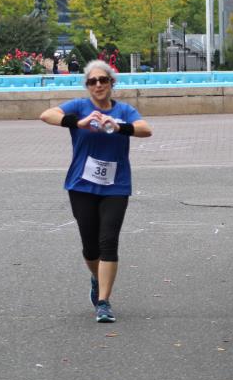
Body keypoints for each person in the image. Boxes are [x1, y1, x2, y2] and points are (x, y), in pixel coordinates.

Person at [39, 60, 153, 323]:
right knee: (91, 248)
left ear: (112, 83)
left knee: (108, 242)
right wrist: (78, 123)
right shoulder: (79, 107)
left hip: (116, 186)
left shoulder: (124, 110)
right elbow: (47, 115)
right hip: (81, 186)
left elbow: (146, 129)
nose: (98, 85)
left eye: (103, 80)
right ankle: (96, 277)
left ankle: (103, 302)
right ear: (87, 86)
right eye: (92, 81)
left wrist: (119, 126)